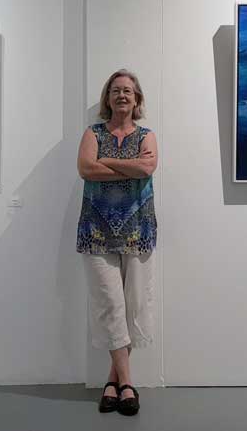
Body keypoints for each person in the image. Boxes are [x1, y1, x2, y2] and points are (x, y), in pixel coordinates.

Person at [76, 69, 158, 416]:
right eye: (115, 90)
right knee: (110, 304)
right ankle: (127, 384)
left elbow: (147, 170)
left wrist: (107, 161)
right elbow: (85, 169)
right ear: (107, 98)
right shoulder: (92, 133)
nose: (122, 95)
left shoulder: (147, 135)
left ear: (137, 98)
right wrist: (129, 165)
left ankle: (112, 380)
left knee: (134, 304)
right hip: (96, 231)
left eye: (128, 90)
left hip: (138, 230)